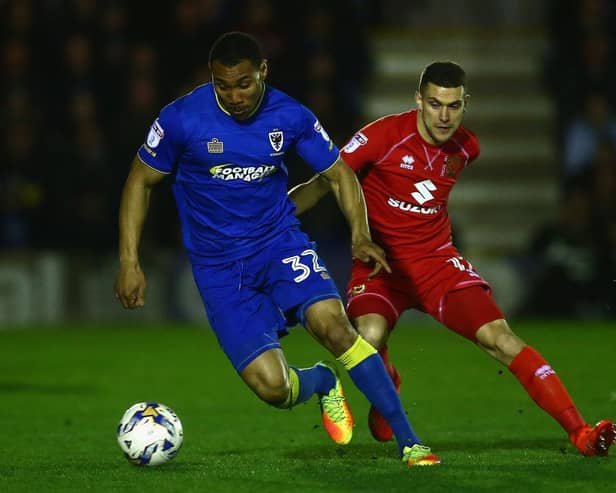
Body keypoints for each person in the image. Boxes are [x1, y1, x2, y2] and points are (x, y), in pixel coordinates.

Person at [113, 31, 440, 467]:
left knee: (334, 326)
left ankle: (410, 441)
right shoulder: (181, 119)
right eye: (223, 86)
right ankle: (322, 382)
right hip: (220, 270)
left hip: (277, 243)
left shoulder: (291, 116)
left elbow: (339, 175)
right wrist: (129, 261)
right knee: (272, 388)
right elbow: (139, 180)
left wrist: (360, 234)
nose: (234, 96)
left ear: (263, 71)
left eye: (244, 83)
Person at [289, 61, 615, 457]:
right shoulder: (381, 137)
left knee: (502, 339)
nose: (444, 116)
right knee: (368, 339)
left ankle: (580, 431)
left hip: (436, 264)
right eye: (434, 104)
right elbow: (325, 183)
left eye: (454, 106)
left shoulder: (466, 147)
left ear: (465, 104)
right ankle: (386, 382)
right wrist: (271, 217)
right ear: (418, 101)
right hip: (381, 268)